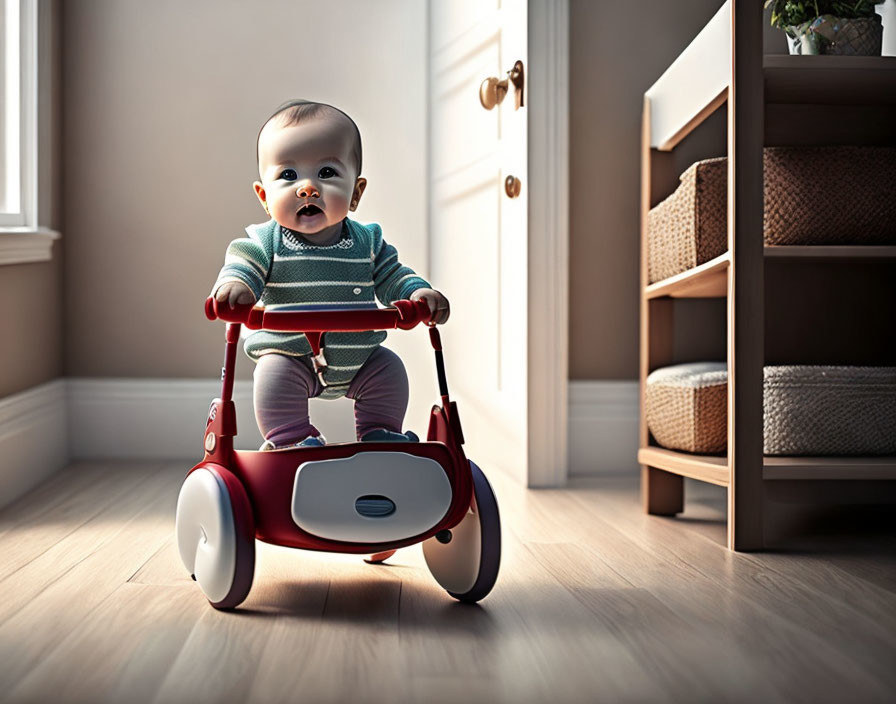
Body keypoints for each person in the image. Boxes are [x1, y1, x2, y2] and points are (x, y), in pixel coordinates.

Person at [211, 100, 449, 449]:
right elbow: (242, 265)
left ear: (355, 193)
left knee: (390, 370)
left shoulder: (368, 242)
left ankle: (379, 434)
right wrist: (235, 287)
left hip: (360, 357)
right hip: (291, 356)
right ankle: (291, 441)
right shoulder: (265, 242)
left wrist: (417, 294)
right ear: (264, 197)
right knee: (271, 377)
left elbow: (393, 275)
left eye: (326, 173)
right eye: (288, 175)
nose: (307, 188)